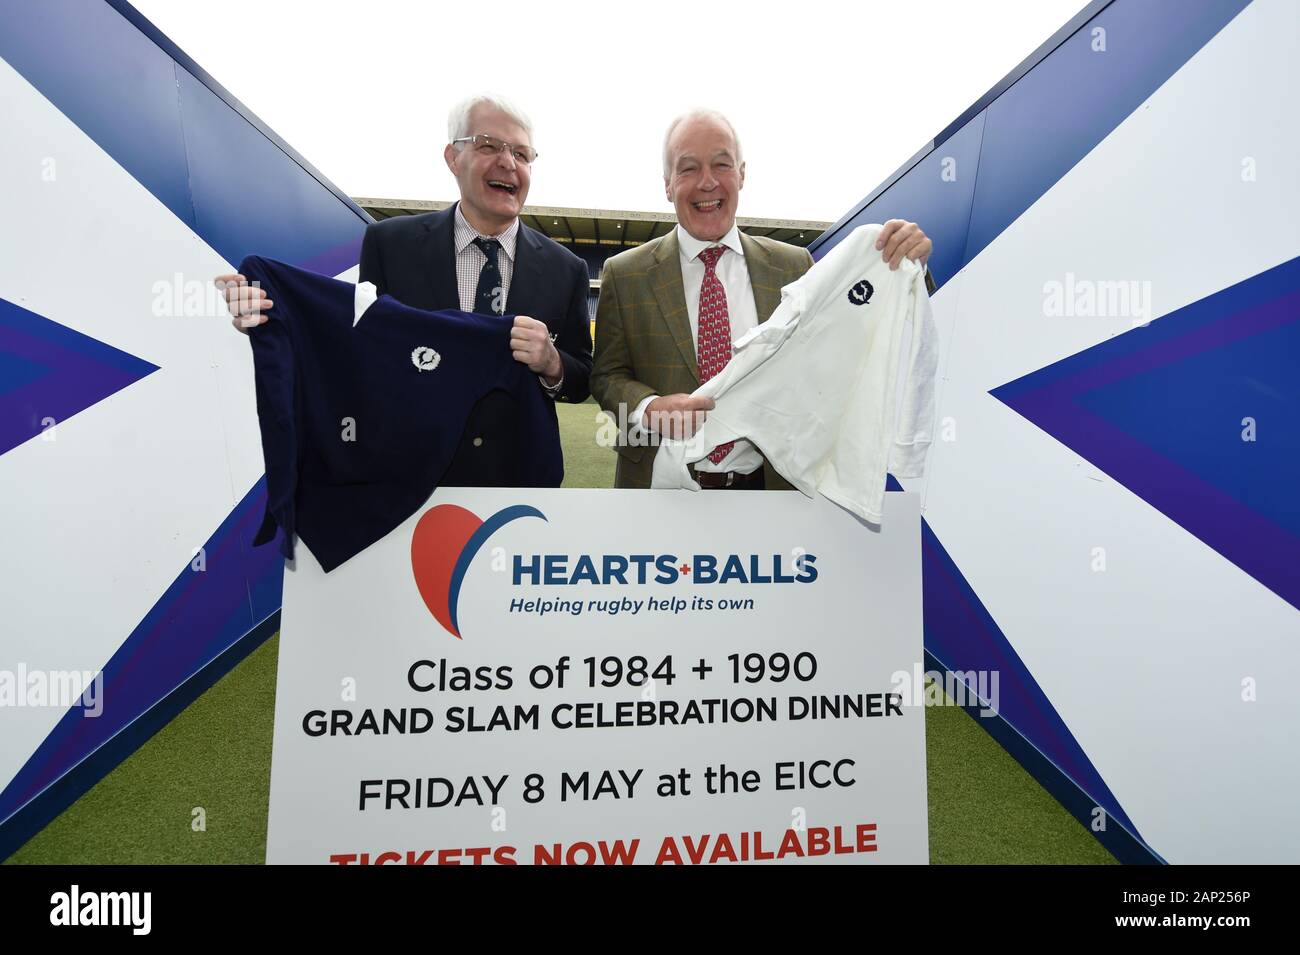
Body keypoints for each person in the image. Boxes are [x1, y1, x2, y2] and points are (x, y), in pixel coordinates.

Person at [215, 94, 592, 486]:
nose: (508, 163)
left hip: (521, 488)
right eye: (489, 146)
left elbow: (582, 376)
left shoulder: (566, 268)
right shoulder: (389, 244)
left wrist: (552, 363)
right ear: (452, 157)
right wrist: (274, 315)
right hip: (408, 484)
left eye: (522, 153)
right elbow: (358, 346)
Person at [590, 108, 932, 490]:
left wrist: (904, 265)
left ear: (741, 174)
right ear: (668, 184)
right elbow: (606, 377)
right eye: (688, 169)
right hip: (661, 489)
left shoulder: (793, 266)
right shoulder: (624, 273)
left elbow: (858, 333)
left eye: (722, 164)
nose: (707, 182)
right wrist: (650, 408)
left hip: (773, 493)